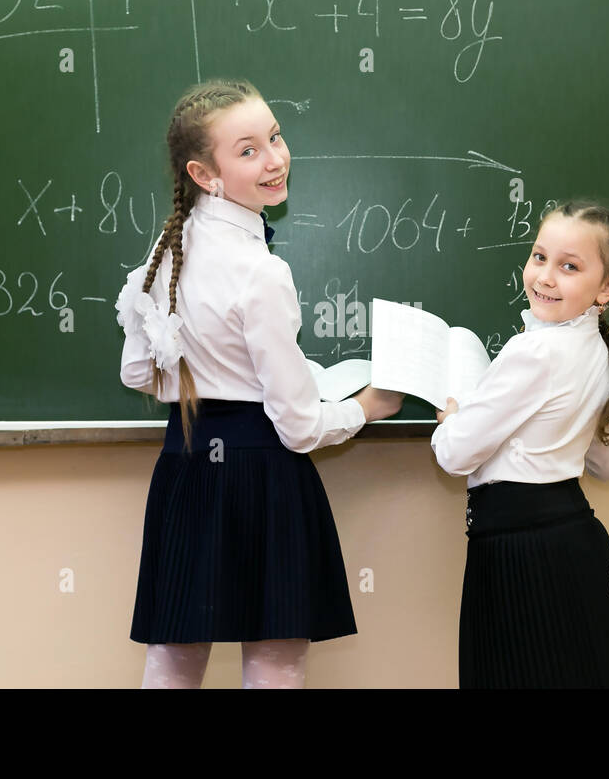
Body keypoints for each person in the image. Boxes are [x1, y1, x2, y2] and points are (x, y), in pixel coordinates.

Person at [115, 79, 402, 688]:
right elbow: (297, 426)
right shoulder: (261, 271)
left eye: (275, 137)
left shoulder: (164, 254)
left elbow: (136, 371)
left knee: (173, 655)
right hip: (263, 473)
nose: (274, 159)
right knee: (274, 660)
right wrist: (364, 409)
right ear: (204, 173)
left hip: (186, 465)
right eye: (248, 150)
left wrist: (204, 366)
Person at [430, 199, 609, 688]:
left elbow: (454, 453)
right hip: (572, 544)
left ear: (608, 286)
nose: (545, 277)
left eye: (569, 266)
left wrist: (452, 418)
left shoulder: (536, 350)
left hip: (521, 554)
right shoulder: (597, 345)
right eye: (539, 256)